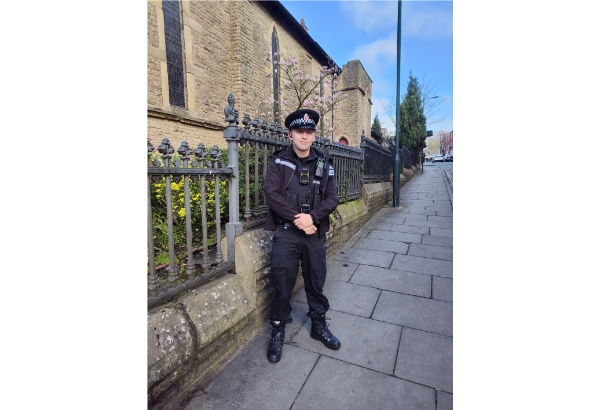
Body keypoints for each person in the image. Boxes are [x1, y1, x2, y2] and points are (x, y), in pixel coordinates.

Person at [263, 108, 341, 363]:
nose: (304, 136)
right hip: (287, 232)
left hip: (314, 233)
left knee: (316, 280)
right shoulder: (279, 162)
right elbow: (272, 195)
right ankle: (278, 329)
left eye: (309, 132)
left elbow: (332, 197)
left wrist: (313, 218)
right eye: (299, 132)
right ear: (290, 135)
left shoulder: (324, 162)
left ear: (314, 135)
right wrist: (300, 219)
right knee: (282, 282)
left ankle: (318, 325)